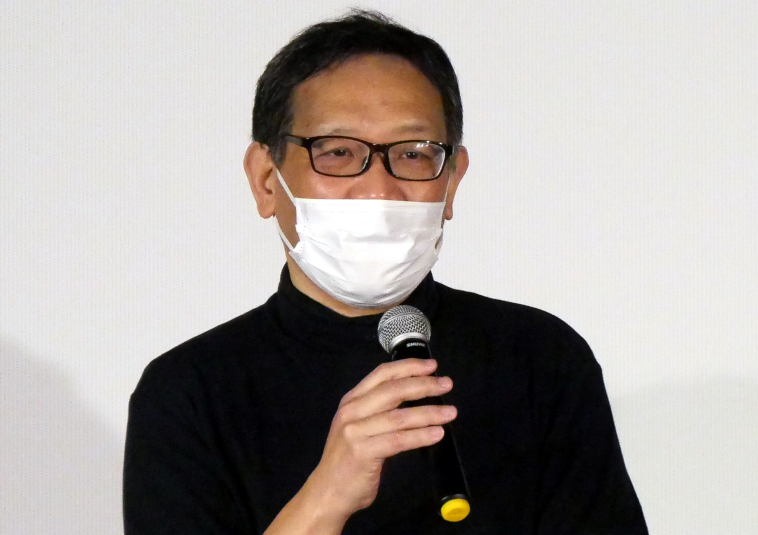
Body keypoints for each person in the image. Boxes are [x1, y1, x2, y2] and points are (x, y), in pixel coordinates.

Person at [123, 10, 648, 535]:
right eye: (337, 152)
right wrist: (326, 497)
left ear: (452, 181)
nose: (378, 189)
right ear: (265, 179)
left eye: (414, 154)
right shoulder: (187, 393)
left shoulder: (539, 359)